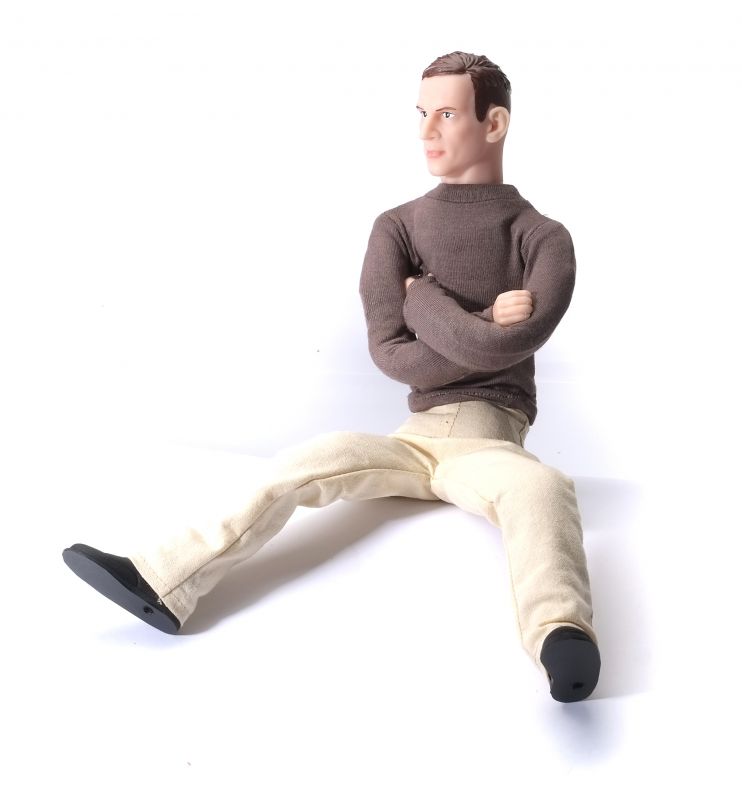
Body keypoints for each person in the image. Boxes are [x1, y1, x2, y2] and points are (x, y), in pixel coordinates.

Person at [63, 51, 601, 703]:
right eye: (421, 114)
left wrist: (424, 300)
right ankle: (160, 580)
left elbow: (511, 345)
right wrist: (480, 319)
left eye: (447, 114)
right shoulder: (396, 227)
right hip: (413, 438)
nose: (427, 132)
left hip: (493, 441)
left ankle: (560, 635)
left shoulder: (543, 237)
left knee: (541, 489)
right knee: (309, 460)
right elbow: (393, 354)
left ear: (494, 124)